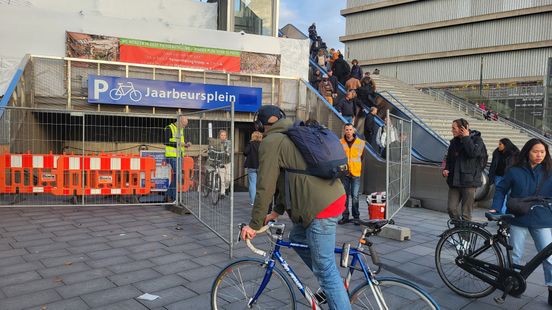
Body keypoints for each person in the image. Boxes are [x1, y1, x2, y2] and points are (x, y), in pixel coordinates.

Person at [240, 105, 351, 310]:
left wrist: (253, 225)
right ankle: (331, 284)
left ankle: (331, 284)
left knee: (326, 271)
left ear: (261, 125)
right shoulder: (294, 134)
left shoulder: (272, 141)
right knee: (297, 238)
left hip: (319, 208)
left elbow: (265, 186)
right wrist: (276, 211)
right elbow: (289, 179)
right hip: (332, 198)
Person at [490, 138, 552, 305]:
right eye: (535, 151)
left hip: (542, 219)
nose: (539, 155)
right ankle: (511, 283)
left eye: (542, 152)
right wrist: (496, 207)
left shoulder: (549, 171)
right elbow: (501, 188)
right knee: (515, 254)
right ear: (527, 152)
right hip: (518, 217)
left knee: (549, 257)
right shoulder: (515, 170)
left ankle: (551, 288)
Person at [443, 118, 487, 221]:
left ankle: (465, 237)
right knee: (451, 208)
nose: (452, 130)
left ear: (463, 128)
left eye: (454, 128)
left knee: (466, 214)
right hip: (454, 181)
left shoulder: (477, 140)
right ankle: (459, 230)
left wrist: (466, 138)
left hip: (469, 181)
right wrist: (446, 169)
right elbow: (449, 159)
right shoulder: (454, 142)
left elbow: (473, 153)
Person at [338, 123, 365, 225]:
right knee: (345, 196)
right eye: (346, 130)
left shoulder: (361, 143)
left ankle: (356, 217)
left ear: (353, 131)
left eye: (350, 129)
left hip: (355, 173)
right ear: (344, 131)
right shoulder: (340, 142)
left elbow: (362, 157)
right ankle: (345, 216)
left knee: (355, 196)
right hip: (344, 173)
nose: (348, 131)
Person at [489, 138, 519, 213]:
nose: (498, 146)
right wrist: (491, 176)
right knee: (499, 193)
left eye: (500, 144)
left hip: (509, 177)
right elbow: (493, 165)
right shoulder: (496, 152)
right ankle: (500, 211)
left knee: (509, 194)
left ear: (505, 145)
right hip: (498, 176)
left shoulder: (514, 153)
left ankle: (506, 211)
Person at [163, 115, 190, 202]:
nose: (184, 126)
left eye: (185, 125)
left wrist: (185, 144)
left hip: (179, 155)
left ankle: (168, 196)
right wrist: (180, 144)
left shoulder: (181, 129)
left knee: (176, 176)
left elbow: (180, 142)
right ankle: (174, 198)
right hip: (171, 156)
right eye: (183, 124)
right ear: (178, 121)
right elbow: (166, 142)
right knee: (178, 175)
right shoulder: (169, 128)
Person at [209, 130, 232, 198]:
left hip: (227, 162)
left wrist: (228, 151)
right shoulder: (216, 142)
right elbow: (212, 148)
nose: (223, 137)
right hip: (220, 162)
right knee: (222, 179)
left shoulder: (228, 142)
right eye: (222, 135)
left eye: (224, 135)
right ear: (219, 136)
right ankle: (222, 193)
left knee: (228, 179)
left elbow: (229, 149)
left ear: (226, 136)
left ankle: (227, 187)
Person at [244, 131, 262, 206]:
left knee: (252, 183)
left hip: (252, 166)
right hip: (261, 166)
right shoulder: (263, 144)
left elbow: (245, 152)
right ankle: (260, 201)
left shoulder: (250, 144)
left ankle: (253, 201)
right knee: (260, 184)